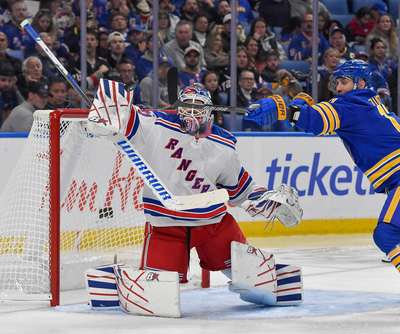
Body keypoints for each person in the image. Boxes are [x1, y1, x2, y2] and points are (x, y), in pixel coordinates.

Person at [245, 59, 400, 323]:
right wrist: (298, 108)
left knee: (387, 235)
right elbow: (322, 118)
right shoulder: (369, 101)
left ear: (361, 83)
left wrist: (284, 108)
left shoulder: (349, 104)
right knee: (397, 235)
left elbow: (317, 121)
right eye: (336, 83)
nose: (338, 87)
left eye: (343, 82)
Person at [87, 80, 302, 307]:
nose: (191, 111)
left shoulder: (223, 144)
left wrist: (269, 202)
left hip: (214, 225)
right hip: (166, 226)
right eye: (185, 105)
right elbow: (126, 116)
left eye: (197, 106)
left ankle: (270, 280)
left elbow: (240, 188)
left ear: (209, 111)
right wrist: (110, 104)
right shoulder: (156, 126)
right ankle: (121, 283)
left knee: (256, 281)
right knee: (155, 298)